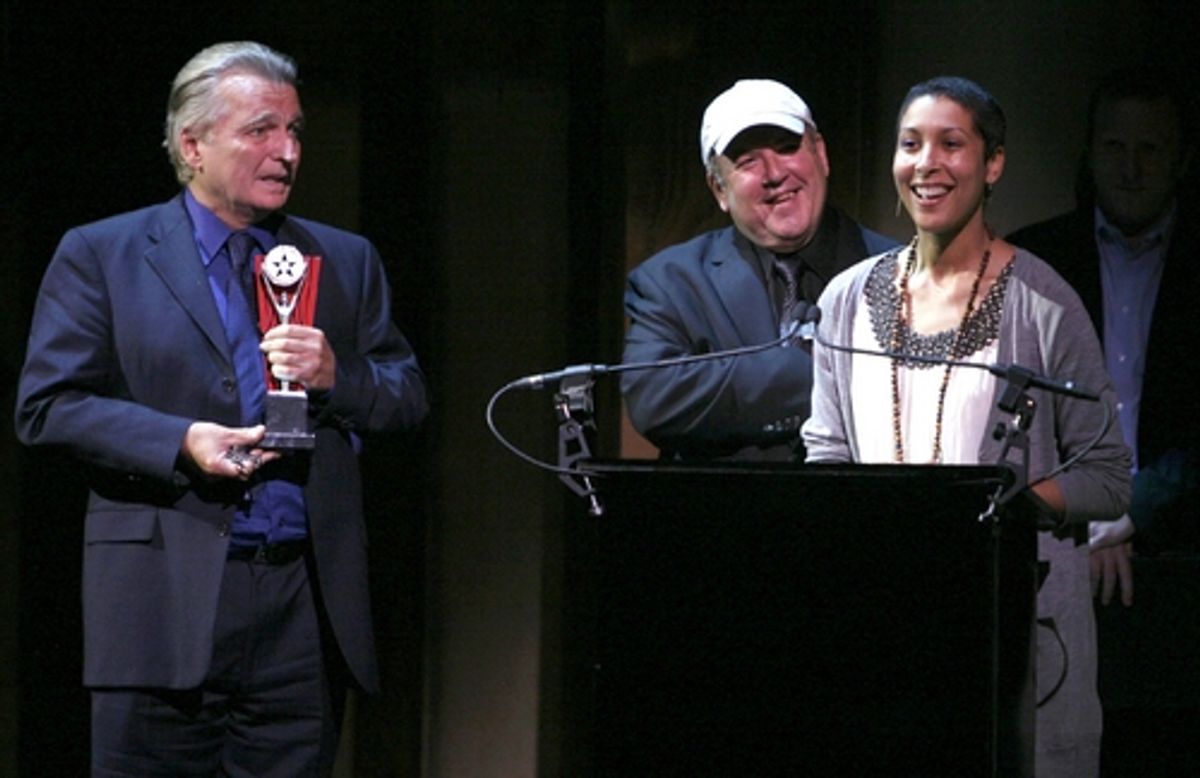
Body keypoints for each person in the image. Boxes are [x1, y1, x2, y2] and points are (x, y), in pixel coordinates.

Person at [14, 41, 429, 774]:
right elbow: (48, 406)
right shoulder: (102, 253)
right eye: (261, 130)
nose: (287, 152)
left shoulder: (346, 259)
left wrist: (340, 376)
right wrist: (181, 441)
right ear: (192, 144)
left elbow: (406, 397)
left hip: (302, 608)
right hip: (161, 604)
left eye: (296, 131)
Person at [801, 76, 1131, 776]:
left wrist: (1002, 513)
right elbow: (825, 454)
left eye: (952, 144)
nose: (927, 163)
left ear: (993, 165)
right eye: (910, 144)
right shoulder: (845, 301)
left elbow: (1107, 476)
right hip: (884, 629)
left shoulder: (1044, 302)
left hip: (1008, 635)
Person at [621, 78, 896, 461]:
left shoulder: (898, 273)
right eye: (748, 161)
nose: (773, 173)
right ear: (718, 189)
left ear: (821, 154)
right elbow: (655, 398)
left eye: (787, 148)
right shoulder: (671, 282)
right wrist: (821, 372)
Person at [1010, 67, 1199, 608]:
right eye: (1114, 146)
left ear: (1183, 158)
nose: (1131, 169)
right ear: (1090, 152)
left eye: (1151, 148)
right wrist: (1089, 509)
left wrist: (1132, 510)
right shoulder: (1032, 261)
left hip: (1182, 549)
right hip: (1054, 540)